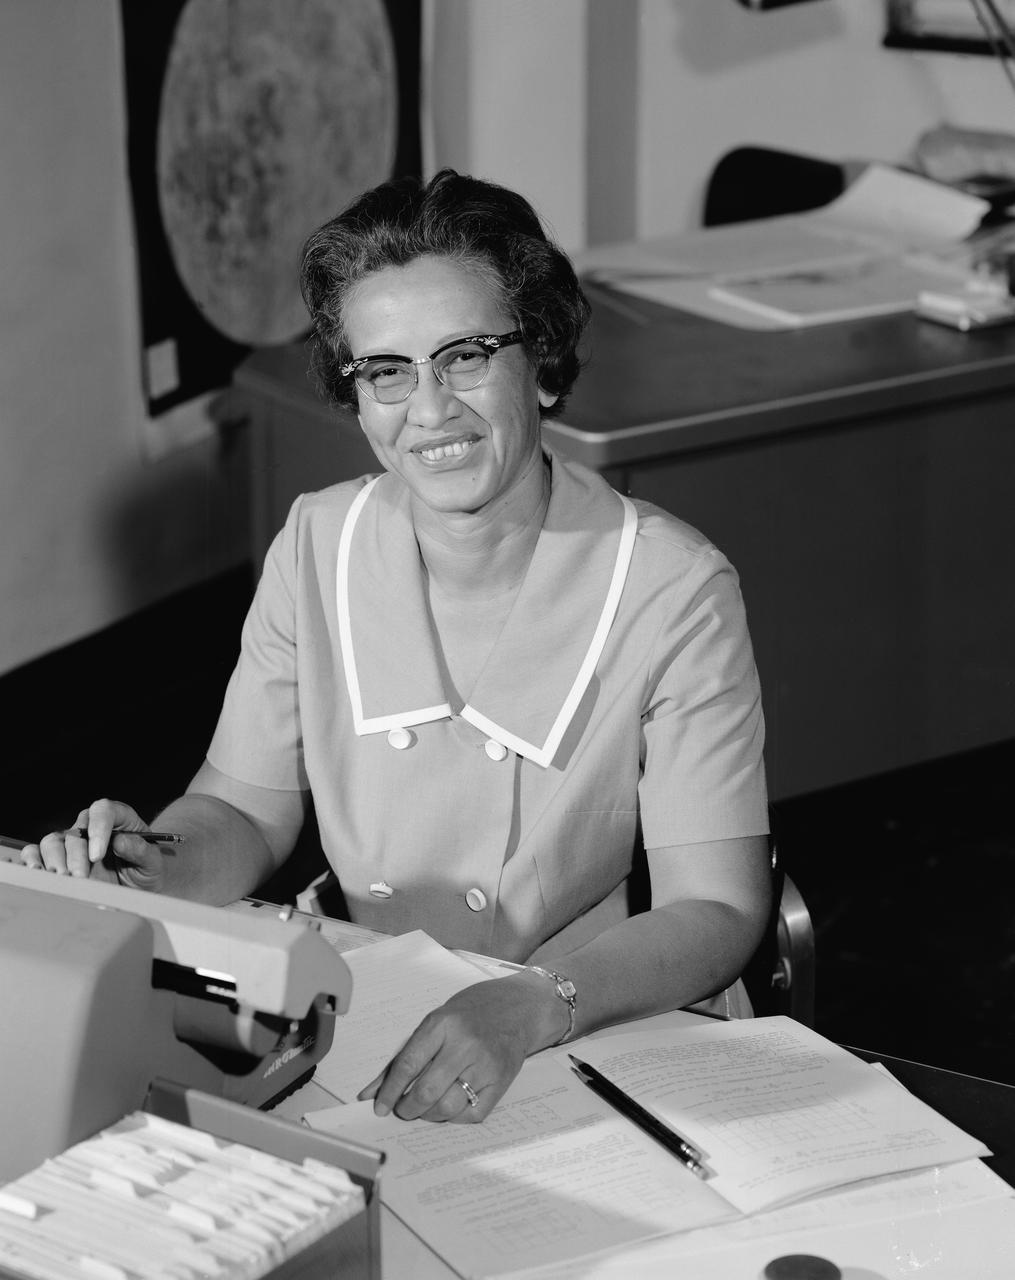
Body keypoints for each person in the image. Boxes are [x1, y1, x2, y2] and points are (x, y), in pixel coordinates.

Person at [20, 168, 771, 1124]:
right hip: (363, 1005)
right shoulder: (317, 543)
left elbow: (718, 910)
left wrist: (534, 1004)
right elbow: (244, 815)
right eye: (386, 371)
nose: (429, 408)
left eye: (464, 356)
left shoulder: (671, 587)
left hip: (587, 1011)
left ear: (539, 358)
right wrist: (148, 864)